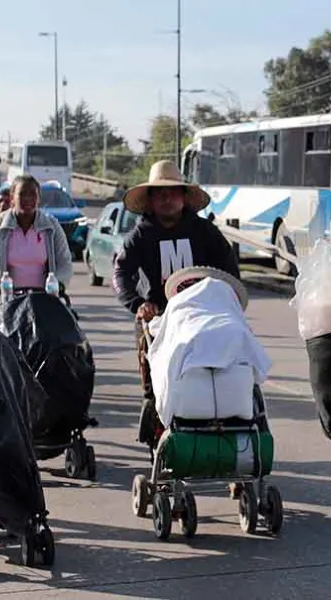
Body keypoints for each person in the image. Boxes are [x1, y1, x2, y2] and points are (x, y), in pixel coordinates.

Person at [111, 160, 239, 446]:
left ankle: (231, 438)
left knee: (225, 372)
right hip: (158, 321)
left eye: (173, 192)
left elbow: (230, 270)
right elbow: (120, 272)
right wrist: (137, 304)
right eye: (159, 193)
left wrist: (227, 299)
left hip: (205, 317)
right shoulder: (139, 236)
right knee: (157, 385)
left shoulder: (205, 232)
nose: (167, 199)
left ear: (184, 197)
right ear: (151, 200)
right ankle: (160, 443)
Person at [0, 175, 73, 291]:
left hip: (44, 298)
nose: (28, 199)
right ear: (12, 198)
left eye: (32, 194)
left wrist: (58, 284)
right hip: (8, 299)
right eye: (22, 194)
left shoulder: (52, 227)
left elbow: (65, 264)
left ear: (39, 198)